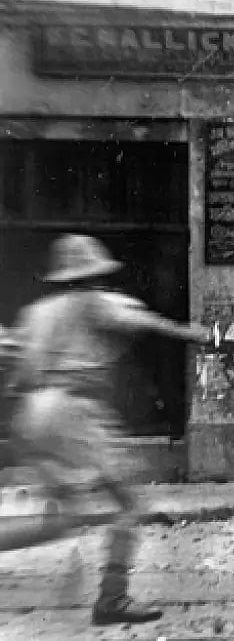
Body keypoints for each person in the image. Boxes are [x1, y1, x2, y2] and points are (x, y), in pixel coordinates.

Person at [5, 234, 211, 625]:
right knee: (129, 506)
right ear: (93, 274)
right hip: (75, 412)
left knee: (64, 517)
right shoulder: (94, 301)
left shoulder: (38, 312)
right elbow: (142, 320)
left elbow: (20, 371)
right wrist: (190, 333)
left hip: (35, 412)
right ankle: (112, 599)